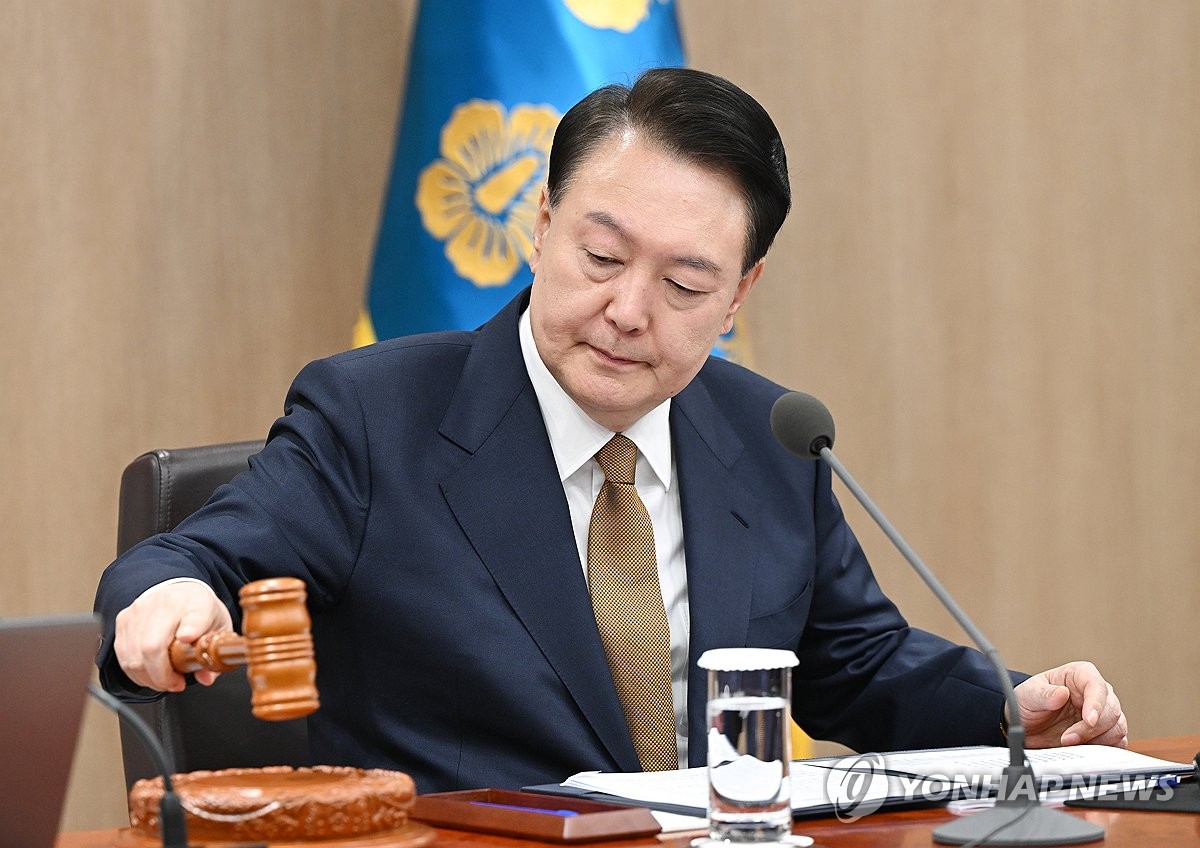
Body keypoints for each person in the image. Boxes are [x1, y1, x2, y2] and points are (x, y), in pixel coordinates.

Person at [95, 68, 1127, 794]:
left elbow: (854, 661)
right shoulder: (376, 415)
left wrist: (1007, 703)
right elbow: (190, 558)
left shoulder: (769, 433)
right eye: (601, 256)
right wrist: (168, 596)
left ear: (739, 294)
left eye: (685, 282)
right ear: (540, 226)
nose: (631, 310)